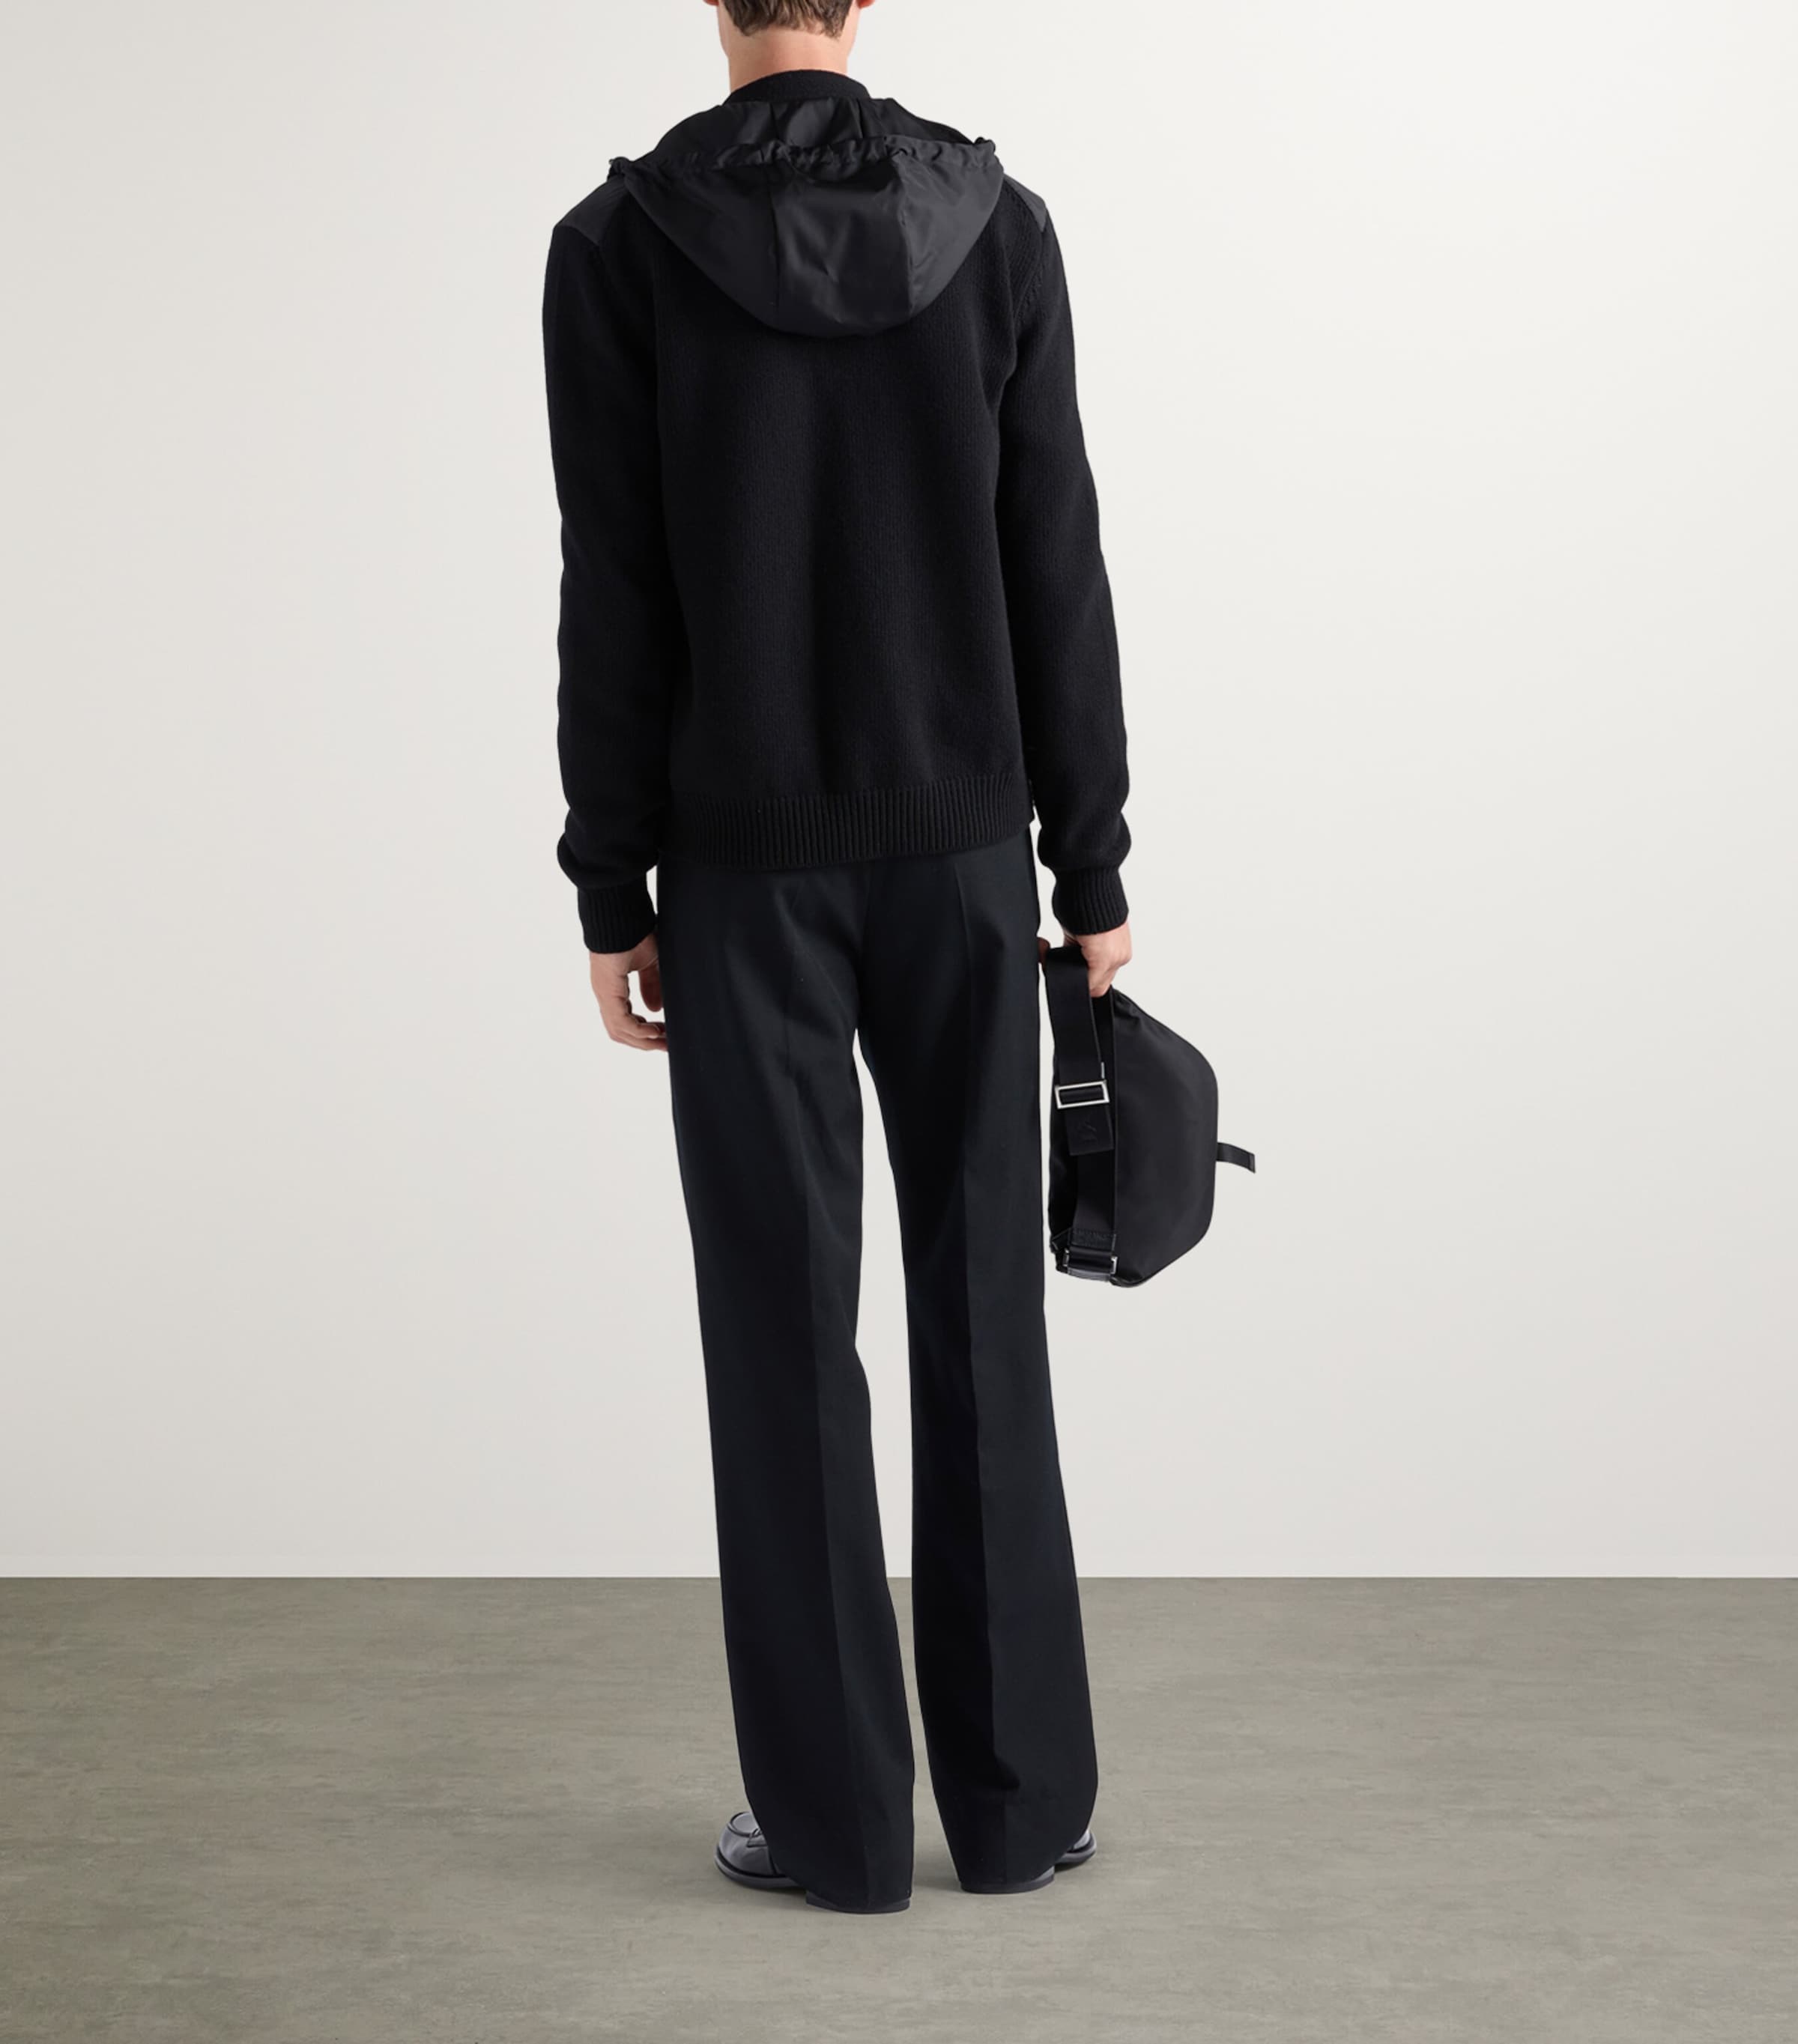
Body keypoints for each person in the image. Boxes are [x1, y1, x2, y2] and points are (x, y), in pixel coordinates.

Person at [542, 0, 1131, 1915]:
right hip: (963, 860)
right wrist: (1091, 863)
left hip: (744, 878)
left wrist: (610, 888)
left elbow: (616, 592)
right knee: (986, 1323)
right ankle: (1021, 1811)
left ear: (712, 8)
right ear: (859, 5)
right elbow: (1056, 558)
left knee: (783, 1340)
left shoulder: (617, 248)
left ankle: (834, 1830)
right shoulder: (999, 225)